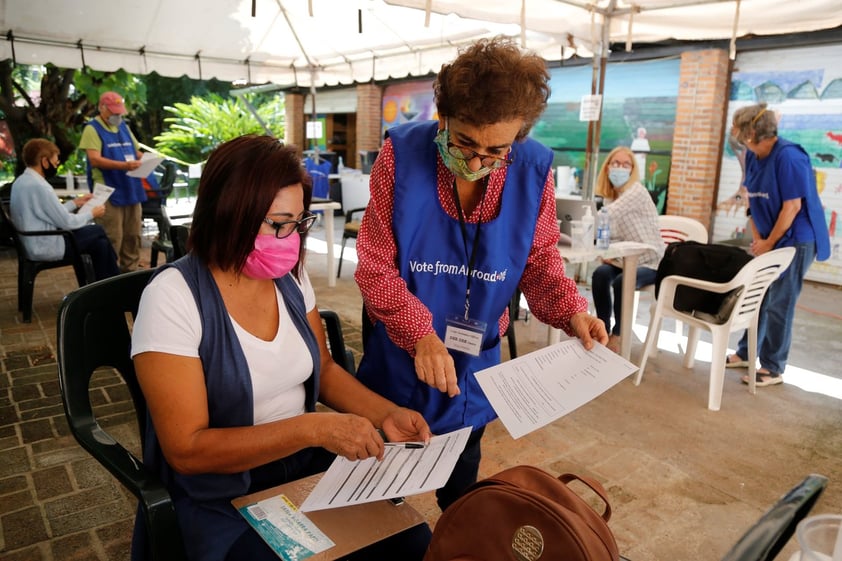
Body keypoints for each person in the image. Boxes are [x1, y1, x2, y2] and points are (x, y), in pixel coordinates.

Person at [129, 135, 433, 561]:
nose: (289, 239)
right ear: (228, 214)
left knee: (409, 538)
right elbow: (187, 449)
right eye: (277, 224)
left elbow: (323, 369)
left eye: (298, 223)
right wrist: (313, 429)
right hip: (224, 490)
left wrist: (386, 415)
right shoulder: (173, 297)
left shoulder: (288, 278)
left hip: (303, 467)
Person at [353, 37, 608, 512]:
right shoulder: (402, 157)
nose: (474, 162)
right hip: (398, 352)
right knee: (382, 492)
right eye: (464, 142)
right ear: (443, 116)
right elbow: (374, 265)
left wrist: (572, 312)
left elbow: (539, 261)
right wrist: (419, 334)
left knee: (462, 485)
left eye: (495, 151)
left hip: (476, 359)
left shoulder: (533, 171)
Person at [725, 103, 830, 386]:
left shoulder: (789, 157)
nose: (736, 137)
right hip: (770, 236)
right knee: (759, 294)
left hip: (797, 238)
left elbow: (792, 207)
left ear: (752, 133)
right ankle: (747, 352)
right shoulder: (753, 155)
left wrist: (771, 242)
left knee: (780, 302)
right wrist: (759, 239)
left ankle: (773, 366)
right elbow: (753, 201)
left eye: (739, 132)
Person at [9, 138, 119, 281]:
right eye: (55, 162)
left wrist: (75, 203)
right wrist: (91, 213)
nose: (57, 165)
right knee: (97, 230)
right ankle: (112, 282)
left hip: (34, 241)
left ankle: (102, 285)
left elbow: (49, 212)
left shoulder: (22, 181)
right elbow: (66, 222)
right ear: (44, 161)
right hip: (46, 245)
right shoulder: (39, 186)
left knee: (101, 244)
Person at [591, 146, 664, 354]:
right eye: (615, 163)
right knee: (600, 274)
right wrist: (606, 253)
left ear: (632, 170)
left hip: (651, 262)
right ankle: (602, 328)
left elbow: (605, 216)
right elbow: (609, 233)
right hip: (623, 260)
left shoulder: (636, 192)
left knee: (622, 281)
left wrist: (587, 222)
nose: (619, 168)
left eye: (625, 165)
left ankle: (619, 333)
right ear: (607, 168)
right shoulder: (610, 197)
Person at [79, 91, 148, 272]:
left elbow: (136, 152)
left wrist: (149, 159)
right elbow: (94, 159)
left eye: (119, 112)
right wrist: (124, 165)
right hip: (108, 191)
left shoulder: (124, 127)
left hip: (131, 188)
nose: (117, 116)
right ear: (102, 108)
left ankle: (130, 272)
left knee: (133, 234)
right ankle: (109, 277)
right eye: (114, 112)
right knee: (113, 236)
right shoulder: (92, 129)